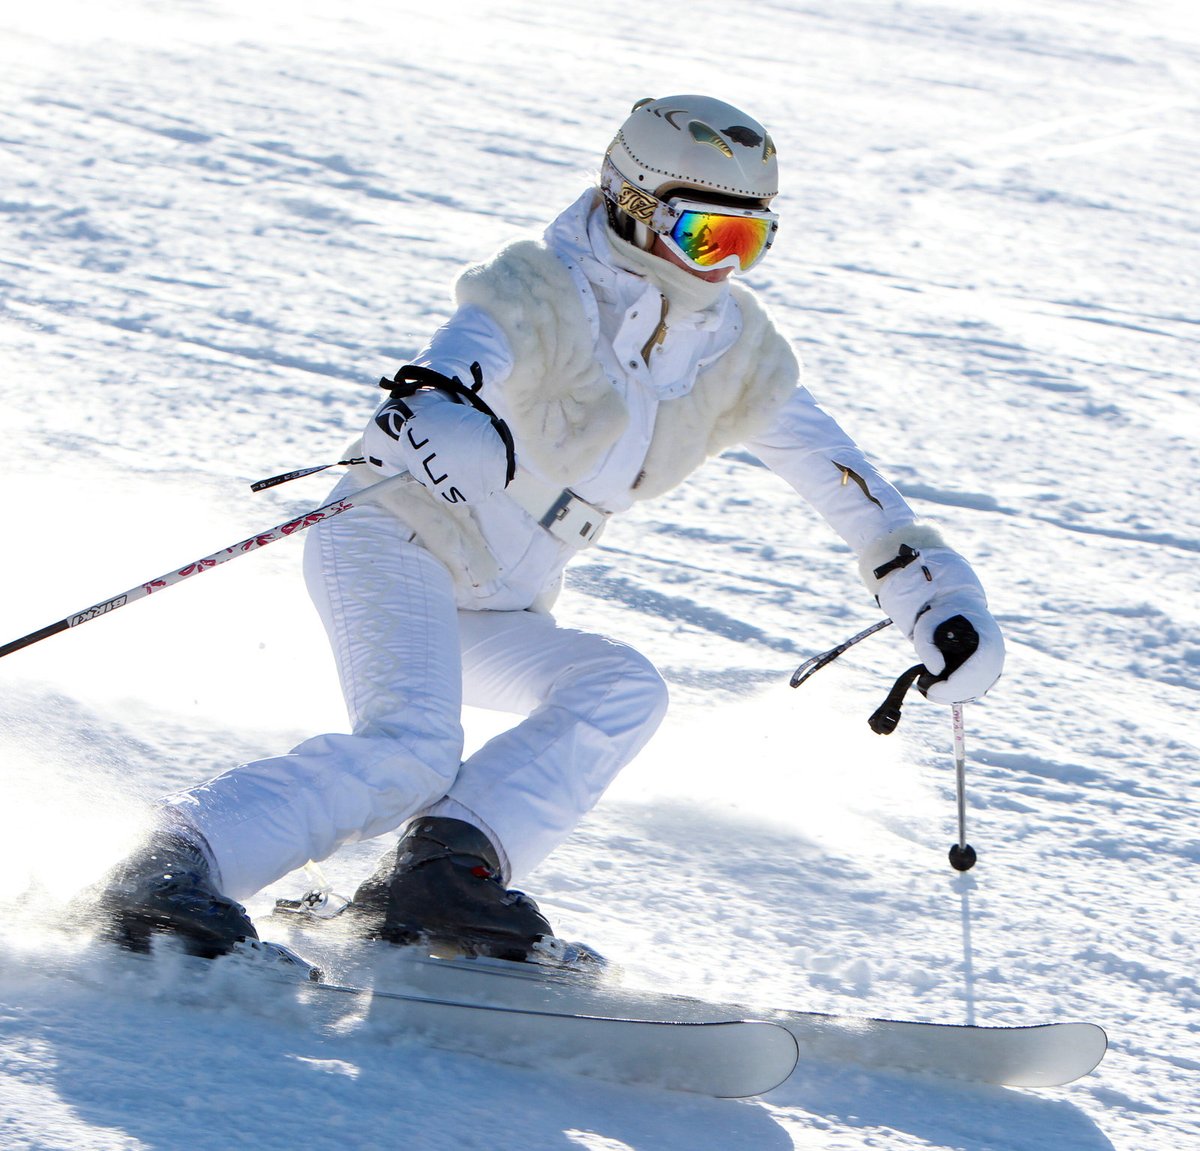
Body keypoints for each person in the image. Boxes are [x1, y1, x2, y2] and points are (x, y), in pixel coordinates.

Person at [97, 95, 1005, 963]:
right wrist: (444, 419)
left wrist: (932, 592)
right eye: (705, 232)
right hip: (395, 541)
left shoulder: (733, 352)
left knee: (622, 688)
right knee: (411, 749)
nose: (722, 265)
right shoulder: (540, 290)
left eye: (748, 241)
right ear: (634, 204)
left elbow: (848, 483)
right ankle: (174, 861)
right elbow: (450, 369)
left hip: (500, 598)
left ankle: (444, 870)